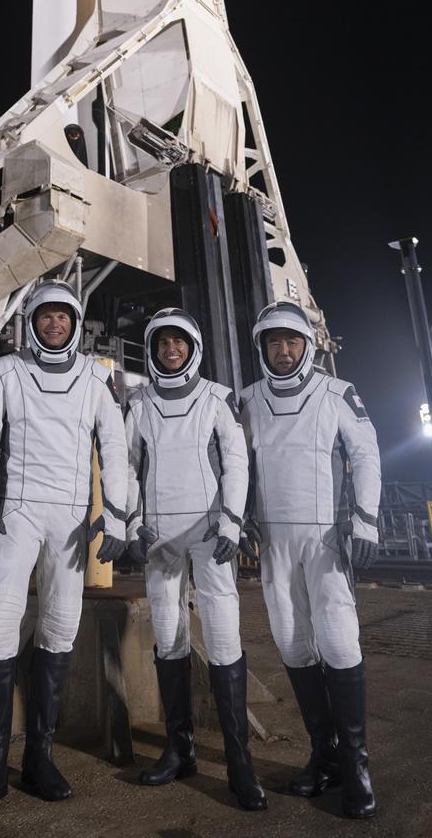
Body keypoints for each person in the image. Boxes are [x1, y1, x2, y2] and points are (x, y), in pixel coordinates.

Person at [0, 279, 128, 820]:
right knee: (1, 620)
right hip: (19, 511)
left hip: (73, 520)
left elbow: (116, 449)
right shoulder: (8, 372)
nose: (55, 324)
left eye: (64, 317)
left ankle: (39, 758)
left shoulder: (96, 381)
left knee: (59, 627)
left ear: (76, 325)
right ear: (32, 322)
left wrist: (116, 516)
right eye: (46, 317)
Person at [239, 300, 381, 820]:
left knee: (340, 642)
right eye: (273, 342)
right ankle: (325, 757)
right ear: (262, 348)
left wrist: (364, 520)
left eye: (291, 341)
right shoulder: (249, 400)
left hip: (325, 539)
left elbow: (365, 453)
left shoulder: (337, 392)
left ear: (308, 345)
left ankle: (357, 765)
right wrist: (237, 518)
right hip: (274, 542)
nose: (283, 350)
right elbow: (233, 462)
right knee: (293, 644)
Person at [124, 307, 267, 811]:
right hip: (160, 539)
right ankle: (179, 749)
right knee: (169, 639)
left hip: (210, 536)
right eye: (162, 343)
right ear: (154, 348)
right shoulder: (139, 403)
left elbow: (236, 461)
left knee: (225, 639)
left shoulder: (216, 398)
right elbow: (126, 465)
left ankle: (239, 762)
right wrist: (131, 524)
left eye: (178, 342)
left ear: (193, 347)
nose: (170, 350)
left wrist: (230, 521)